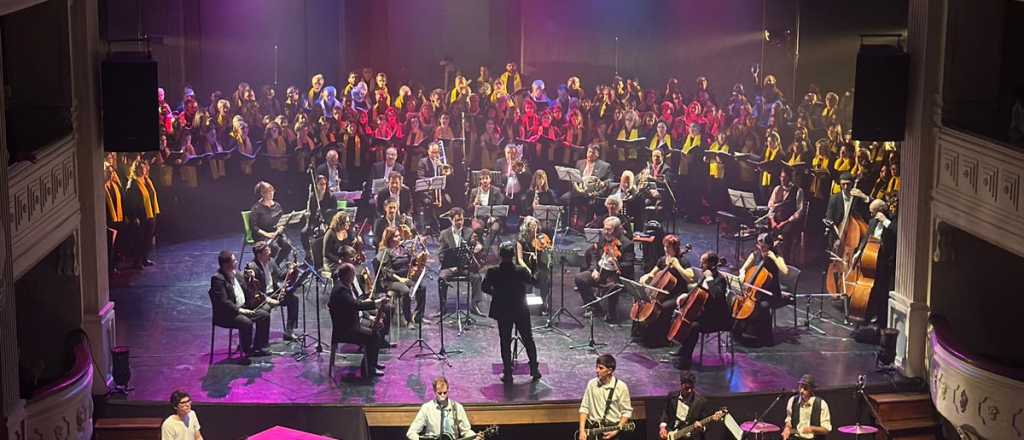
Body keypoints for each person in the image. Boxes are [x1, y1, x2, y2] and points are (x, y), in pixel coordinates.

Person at [482, 242, 542, 383]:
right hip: (520, 309)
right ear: (513, 255)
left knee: (505, 341)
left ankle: (508, 373)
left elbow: (484, 287)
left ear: (500, 255)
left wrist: (496, 294)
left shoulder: (493, 271)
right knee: (528, 339)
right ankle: (534, 369)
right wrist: (534, 266)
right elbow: (535, 281)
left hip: (502, 310)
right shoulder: (520, 271)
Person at [672, 252, 733, 369]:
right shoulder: (704, 275)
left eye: (703, 262)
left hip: (717, 319)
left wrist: (710, 278)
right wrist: (686, 296)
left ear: (711, 265)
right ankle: (683, 350)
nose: (700, 264)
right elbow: (698, 291)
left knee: (693, 326)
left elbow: (717, 296)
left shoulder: (720, 279)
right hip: (705, 314)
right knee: (680, 316)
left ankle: (686, 359)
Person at [208, 250, 270, 363]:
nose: (236, 262)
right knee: (246, 322)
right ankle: (247, 350)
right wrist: (241, 310)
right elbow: (224, 302)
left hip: (243, 308)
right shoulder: (218, 279)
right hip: (228, 314)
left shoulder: (236, 274)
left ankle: (258, 347)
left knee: (264, 315)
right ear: (226, 264)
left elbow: (246, 286)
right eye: (234, 261)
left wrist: (250, 278)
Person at [328, 262, 385, 378]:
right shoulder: (341, 291)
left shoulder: (344, 286)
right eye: (352, 274)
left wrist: (369, 316)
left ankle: (372, 363)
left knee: (377, 329)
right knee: (374, 336)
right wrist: (375, 303)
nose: (354, 277)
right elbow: (355, 305)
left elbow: (355, 305)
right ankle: (369, 369)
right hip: (345, 330)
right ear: (347, 275)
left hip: (351, 324)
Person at [733, 233, 788, 347]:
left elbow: (785, 271)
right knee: (738, 300)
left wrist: (773, 257)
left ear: (768, 245)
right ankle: (741, 331)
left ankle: (766, 338)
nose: (760, 247)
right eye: (759, 244)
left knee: (763, 306)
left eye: (762, 245)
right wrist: (742, 274)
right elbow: (743, 268)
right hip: (756, 292)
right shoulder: (755, 254)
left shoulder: (776, 255)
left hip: (771, 293)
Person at [576, 216, 632, 323]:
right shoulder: (602, 238)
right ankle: (594, 307)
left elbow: (629, 264)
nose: (605, 232)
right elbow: (594, 254)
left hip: (614, 275)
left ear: (616, 230)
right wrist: (594, 270)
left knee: (613, 286)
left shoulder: (626, 244)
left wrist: (615, 262)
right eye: (604, 229)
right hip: (601, 271)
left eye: (609, 229)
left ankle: (611, 312)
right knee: (580, 278)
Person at [246, 241, 298, 340]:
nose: (270, 252)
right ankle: (261, 340)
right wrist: (268, 300)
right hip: (261, 298)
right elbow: (254, 290)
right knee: (265, 311)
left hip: (273, 293)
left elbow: (280, 276)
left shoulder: (271, 261)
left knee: (293, 300)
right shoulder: (252, 267)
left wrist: (290, 271)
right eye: (267, 251)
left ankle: (289, 331)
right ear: (259, 255)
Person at [437, 208, 484, 315]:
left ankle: (474, 305)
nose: (460, 222)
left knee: (477, 277)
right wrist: (448, 265)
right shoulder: (444, 234)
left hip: (465, 266)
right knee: (441, 278)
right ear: (451, 220)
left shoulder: (469, 232)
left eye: (461, 220)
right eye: (457, 220)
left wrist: (478, 246)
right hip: (450, 266)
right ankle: (443, 307)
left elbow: (476, 244)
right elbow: (440, 253)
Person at [406, 377, 483, 440]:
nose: (442, 395)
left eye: (445, 392)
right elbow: (411, 433)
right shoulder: (426, 408)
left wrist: (475, 437)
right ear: (434, 391)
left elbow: (466, 431)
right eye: (439, 393)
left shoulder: (457, 407)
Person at [578, 354, 633, 440]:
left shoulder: (621, 387)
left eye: (600, 368)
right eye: (596, 367)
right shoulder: (591, 384)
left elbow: (626, 412)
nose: (597, 370)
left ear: (609, 371)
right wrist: (582, 431)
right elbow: (584, 408)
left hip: (612, 430)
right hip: (593, 430)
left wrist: (616, 430)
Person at [658, 372, 721, 440]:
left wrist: (701, 428)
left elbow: (706, 424)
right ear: (681, 385)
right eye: (687, 388)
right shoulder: (672, 396)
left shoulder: (701, 401)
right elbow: (665, 413)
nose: (690, 390)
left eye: (692, 387)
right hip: (671, 435)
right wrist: (662, 428)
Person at [123, 158, 160, 269]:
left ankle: (144, 258)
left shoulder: (146, 180)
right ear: (135, 169)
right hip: (140, 216)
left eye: (144, 168)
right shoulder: (133, 183)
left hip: (150, 214)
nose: (143, 170)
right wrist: (134, 217)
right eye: (140, 168)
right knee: (139, 239)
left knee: (147, 238)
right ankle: (137, 261)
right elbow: (130, 201)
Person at [767, 167, 806, 261]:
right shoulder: (777, 189)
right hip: (776, 221)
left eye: (785, 177)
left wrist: (786, 222)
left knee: (786, 235)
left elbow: (799, 211)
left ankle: (785, 261)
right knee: (765, 232)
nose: (782, 179)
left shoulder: (798, 191)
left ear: (790, 178)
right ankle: (769, 257)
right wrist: (772, 221)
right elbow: (771, 207)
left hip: (789, 222)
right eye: (781, 177)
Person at [250, 181, 294, 265]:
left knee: (288, 245)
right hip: (262, 235)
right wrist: (267, 234)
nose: (271, 193)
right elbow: (254, 227)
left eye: (272, 190)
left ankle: (275, 265)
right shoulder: (256, 208)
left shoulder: (277, 205)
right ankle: (266, 266)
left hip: (276, 233)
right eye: (268, 191)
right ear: (262, 194)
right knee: (274, 247)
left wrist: (281, 227)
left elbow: (282, 220)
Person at [782, 374, 832, 440]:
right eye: (800, 387)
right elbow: (789, 420)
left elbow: (826, 429)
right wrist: (787, 428)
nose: (801, 391)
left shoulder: (821, 404)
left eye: (805, 388)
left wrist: (812, 429)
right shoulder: (792, 401)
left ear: (811, 389)